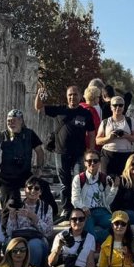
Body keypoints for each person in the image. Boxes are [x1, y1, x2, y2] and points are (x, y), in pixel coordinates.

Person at [37, 85, 96, 222]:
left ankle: (78, 209)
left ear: (80, 96)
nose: (72, 97)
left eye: (75, 94)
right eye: (70, 94)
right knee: (65, 183)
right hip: (61, 152)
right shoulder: (59, 110)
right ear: (66, 96)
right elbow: (39, 107)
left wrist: (91, 151)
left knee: (78, 181)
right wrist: (39, 95)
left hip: (79, 153)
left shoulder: (86, 113)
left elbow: (91, 134)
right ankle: (66, 210)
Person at [0, 109, 45, 212]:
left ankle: (48, 215)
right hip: (8, 177)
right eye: (9, 121)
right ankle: (6, 226)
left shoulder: (29, 134)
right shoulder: (1, 136)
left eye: (14, 120)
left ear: (21, 121)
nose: (11, 123)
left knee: (43, 187)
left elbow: (39, 151)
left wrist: (39, 168)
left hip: (25, 173)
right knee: (11, 204)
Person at [5, 177, 53, 267]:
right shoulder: (18, 205)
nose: (33, 191)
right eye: (30, 187)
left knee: (33, 245)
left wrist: (34, 217)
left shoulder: (47, 207)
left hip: (38, 239)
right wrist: (12, 215)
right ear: (25, 190)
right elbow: (10, 232)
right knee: (8, 244)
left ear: (40, 192)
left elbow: (48, 232)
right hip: (19, 237)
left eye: (36, 188)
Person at [71, 150, 119, 243]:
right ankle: (99, 241)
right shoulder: (79, 178)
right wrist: (82, 207)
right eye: (89, 161)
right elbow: (75, 199)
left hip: (102, 212)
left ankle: (99, 238)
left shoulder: (104, 178)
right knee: (90, 233)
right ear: (85, 163)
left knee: (118, 224)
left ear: (99, 163)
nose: (92, 163)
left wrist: (114, 188)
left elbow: (107, 202)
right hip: (86, 213)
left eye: (95, 161)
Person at [96, 96, 134, 177]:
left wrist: (126, 136)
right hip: (108, 155)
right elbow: (97, 141)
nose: (118, 107)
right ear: (111, 107)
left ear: (124, 107)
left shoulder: (130, 121)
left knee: (125, 182)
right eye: (115, 105)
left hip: (125, 155)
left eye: (120, 105)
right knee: (107, 182)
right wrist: (109, 137)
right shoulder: (105, 122)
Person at [80, 86, 103, 151]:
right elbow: (93, 129)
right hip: (90, 146)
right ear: (94, 97)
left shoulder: (81, 107)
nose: (99, 99)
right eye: (98, 97)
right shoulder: (90, 110)